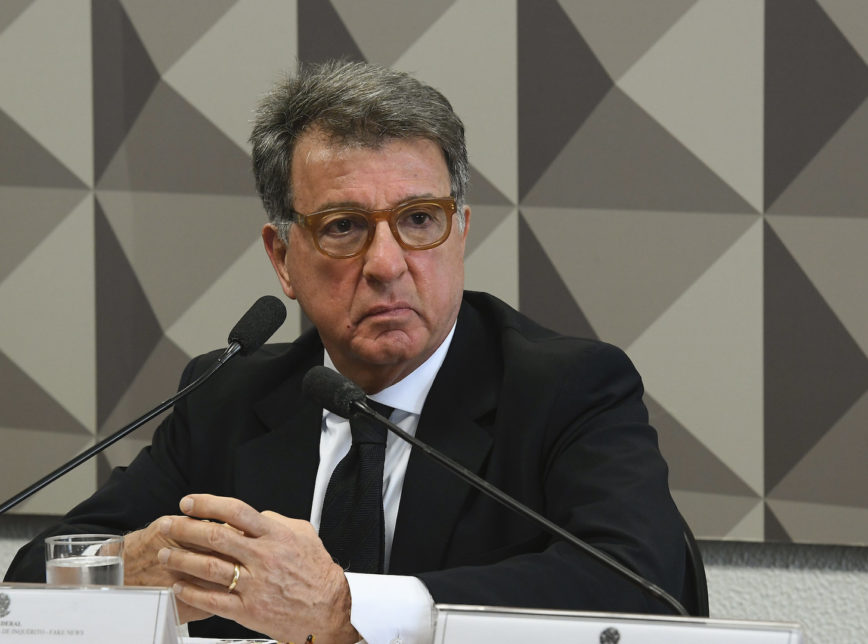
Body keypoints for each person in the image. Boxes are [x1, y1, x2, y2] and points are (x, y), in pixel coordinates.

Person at [5, 60, 688, 643]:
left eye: (419, 219)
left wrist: (348, 605)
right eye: (344, 226)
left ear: (460, 233)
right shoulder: (229, 397)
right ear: (282, 257)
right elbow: (30, 584)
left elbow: (643, 587)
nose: (387, 263)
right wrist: (125, 567)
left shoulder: (567, 388)